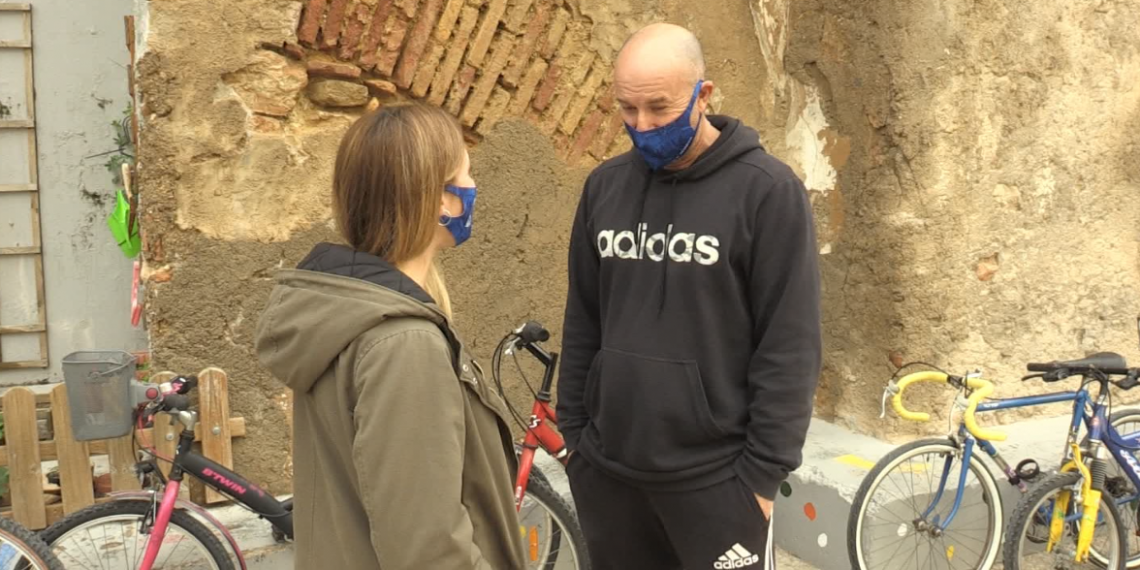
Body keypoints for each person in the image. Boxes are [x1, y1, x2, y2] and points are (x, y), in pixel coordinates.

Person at [556, 22, 822, 570]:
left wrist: (759, 481)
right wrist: (577, 441)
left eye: (659, 107)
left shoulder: (767, 193)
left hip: (718, 484)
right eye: (628, 110)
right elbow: (584, 318)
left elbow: (789, 346)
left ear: (704, 95)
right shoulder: (604, 187)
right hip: (609, 477)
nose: (643, 125)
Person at [254, 103, 526, 570]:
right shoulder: (401, 344)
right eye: (467, 172)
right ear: (441, 199)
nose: (473, 187)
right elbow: (429, 549)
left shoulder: (347, 313)